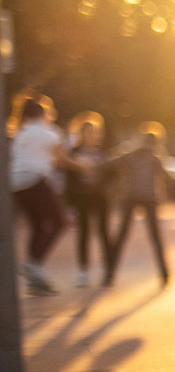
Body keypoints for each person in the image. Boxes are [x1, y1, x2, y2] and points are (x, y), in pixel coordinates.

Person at [8, 94, 68, 297]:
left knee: (38, 225)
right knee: (60, 221)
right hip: (35, 180)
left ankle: (36, 273)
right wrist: (86, 167)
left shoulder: (20, 131)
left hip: (16, 185)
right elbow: (61, 159)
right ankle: (33, 265)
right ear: (42, 113)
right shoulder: (47, 131)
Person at [103, 122, 172, 289]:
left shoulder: (133, 154)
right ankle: (164, 273)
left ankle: (110, 275)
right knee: (154, 237)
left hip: (134, 197)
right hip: (145, 198)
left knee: (122, 236)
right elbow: (165, 177)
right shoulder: (153, 157)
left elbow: (111, 162)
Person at [63, 112, 112, 288]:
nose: (90, 135)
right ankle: (83, 271)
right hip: (81, 198)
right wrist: (70, 204)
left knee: (104, 232)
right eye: (87, 132)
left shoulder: (103, 152)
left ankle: (109, 270)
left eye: (93, 132)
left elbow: (112, 174)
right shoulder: (73, 153)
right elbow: (68, 181)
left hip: (100, 197)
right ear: (81, 133)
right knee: (83, 233)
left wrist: (103, 186)